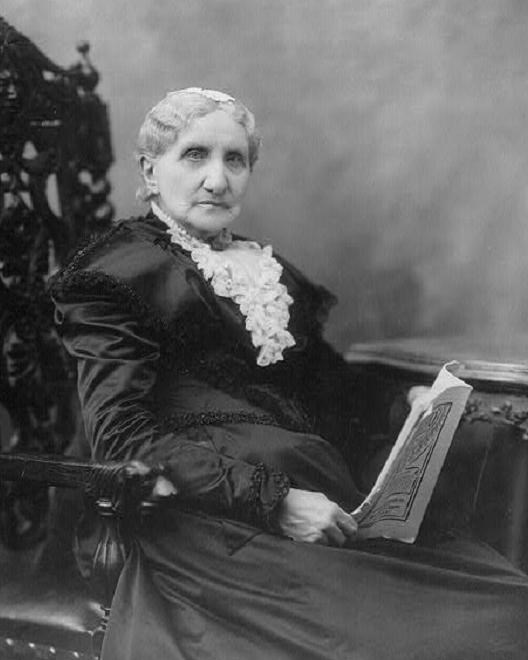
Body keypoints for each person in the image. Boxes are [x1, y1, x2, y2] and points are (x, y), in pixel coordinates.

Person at [51, 88, 528, 660]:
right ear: (151, 170)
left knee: (505, 611)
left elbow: (329, 385)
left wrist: (410, 403)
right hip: (199, 521)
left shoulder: (264, 268)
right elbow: (119, 437)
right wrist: (275, 502)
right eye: (195, 155)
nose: (217, 179)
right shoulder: (117, 273)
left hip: (318, 501)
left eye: (235, 160)